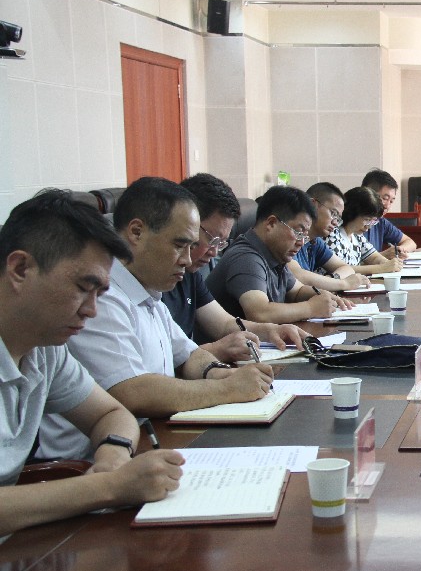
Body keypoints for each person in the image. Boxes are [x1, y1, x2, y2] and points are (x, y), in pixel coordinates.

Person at [36, 178, 276, 461]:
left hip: (145, 443)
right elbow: (133, 393)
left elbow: (188, 355)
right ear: (136, 232)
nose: (188, 260)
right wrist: (226, 388)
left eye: (191, 247)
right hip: (81, 464)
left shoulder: (149, 292)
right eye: (179, 245)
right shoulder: (102, 297)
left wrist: (220, 372)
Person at [0, 189, 184, 535]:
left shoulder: (45, 349)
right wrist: (109, 486)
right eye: (84, 288)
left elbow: (110, 413)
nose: (92, 311)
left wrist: (113, 455)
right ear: (21, 268)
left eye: (100, 294)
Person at [163, 173, 306, 362]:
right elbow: (159, 361)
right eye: (212, 239)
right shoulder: (155, 280)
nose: (214, 252)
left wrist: (271, 330)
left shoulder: (190, 274)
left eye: (221, 243)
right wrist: (215, 350)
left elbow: (224, 324)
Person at [206, 186, 343, 323]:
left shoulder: (275, 254)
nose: (301, 242)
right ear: (271, 223)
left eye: (304, 236)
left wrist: (325, 297)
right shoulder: (246, 257)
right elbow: (260, 313)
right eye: (298, 232)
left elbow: (297, 291)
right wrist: (311, 308)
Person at [288, 181, 373, 294]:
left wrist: (332, 279)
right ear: (313, 205)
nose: (335, 222)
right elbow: (297, 275)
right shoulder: (290, 236)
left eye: (338, 218)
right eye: (333, 213)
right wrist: (343, 283)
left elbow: (347, 268)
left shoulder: (316, 241)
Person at [325, 186, 405, 275]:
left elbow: (374, 257)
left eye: (373, 221)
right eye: (367, 220)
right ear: (352, 213)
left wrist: (388, 263)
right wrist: (382, 268)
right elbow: (341, 269)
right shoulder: (332, 234)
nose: (369, 226)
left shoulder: (356, 235)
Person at [360, 169, 417, 258]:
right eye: (385, 199)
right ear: (368, 194)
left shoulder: (380, 222)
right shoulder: (350, 222)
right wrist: (383, 255)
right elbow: (348, 262)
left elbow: (411, 243)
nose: (387, 206)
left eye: (391, 201)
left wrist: (398, 250)